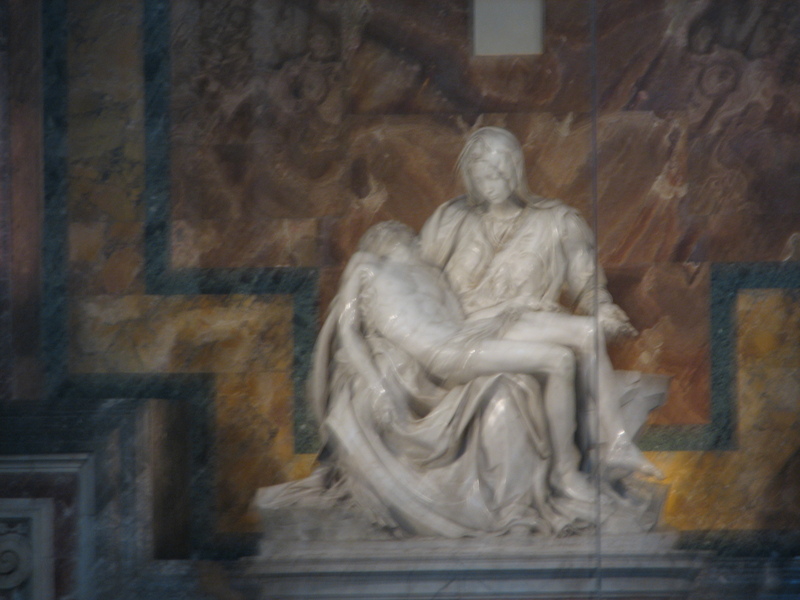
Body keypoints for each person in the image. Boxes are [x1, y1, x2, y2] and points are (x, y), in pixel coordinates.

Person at [419, 126, 660, 481]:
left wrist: (603, 306)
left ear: (516, 170)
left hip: (519, 324)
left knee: (589, 332)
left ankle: (616, 445)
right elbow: (415, 278)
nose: (491, 182)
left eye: (499, 172)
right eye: (482, 176)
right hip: (464, 331)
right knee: (583, 335)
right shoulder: (449, 220)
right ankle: (610, 448)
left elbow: (586, 284)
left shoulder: (558, 221)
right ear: (470, 176)